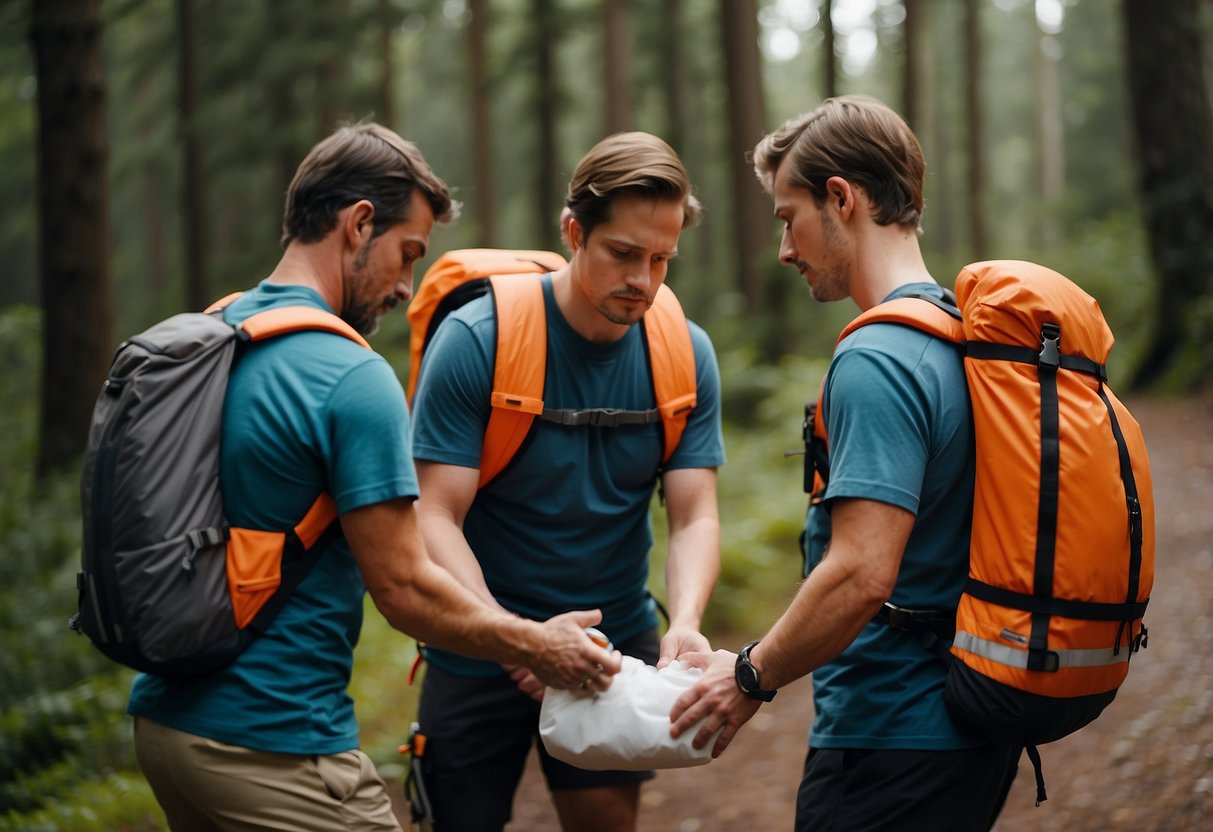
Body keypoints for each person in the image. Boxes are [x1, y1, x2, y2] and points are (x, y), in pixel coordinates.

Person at [127, 123, 620, 832]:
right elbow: (405, 587)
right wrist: (536, 644)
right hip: (274, 746)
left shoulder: (219, 331)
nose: (406, 285)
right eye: (407, 253)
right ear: (359, 224)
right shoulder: (349, 374)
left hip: (167, 729)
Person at [669, 96, 1021, 831]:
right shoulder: (956, 333)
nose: (785, 249)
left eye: (786, 216)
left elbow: (862, 571)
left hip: (891, 739)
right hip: (965, 728)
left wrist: (748, 677)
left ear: (840, 198)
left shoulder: (878, 357)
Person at [409, 131, 725, 832]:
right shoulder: (477, 338)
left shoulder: (683, 351)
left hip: (613, 653)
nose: (642, 279)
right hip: (477, 646)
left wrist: (690, 622)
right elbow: (434, 515)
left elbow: (695, 512)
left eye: (661, 259)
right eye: (622, 253)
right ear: (573, 230)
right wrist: (514, 640)